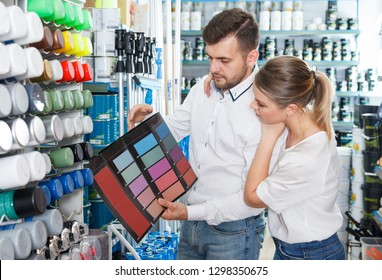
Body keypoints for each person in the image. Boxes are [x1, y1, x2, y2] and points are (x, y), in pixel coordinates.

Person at [128, 8, 285, 260]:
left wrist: (189, 213)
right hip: (191, 224)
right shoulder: (205, 88)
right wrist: (145, 123)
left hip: (234, 233)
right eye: (210, 58)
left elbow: (252, 198)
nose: (213, 68)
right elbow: (174, 127)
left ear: (251, 57)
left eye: (224, 60)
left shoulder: (264, 110)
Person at [244, 55, 346, 260]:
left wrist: (268, 137)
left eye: (261, 104)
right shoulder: (297, 122)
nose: (252, 106)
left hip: (311, 255)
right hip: (290, 248)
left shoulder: (306, 157)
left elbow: (252, 197)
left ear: (290, 108)